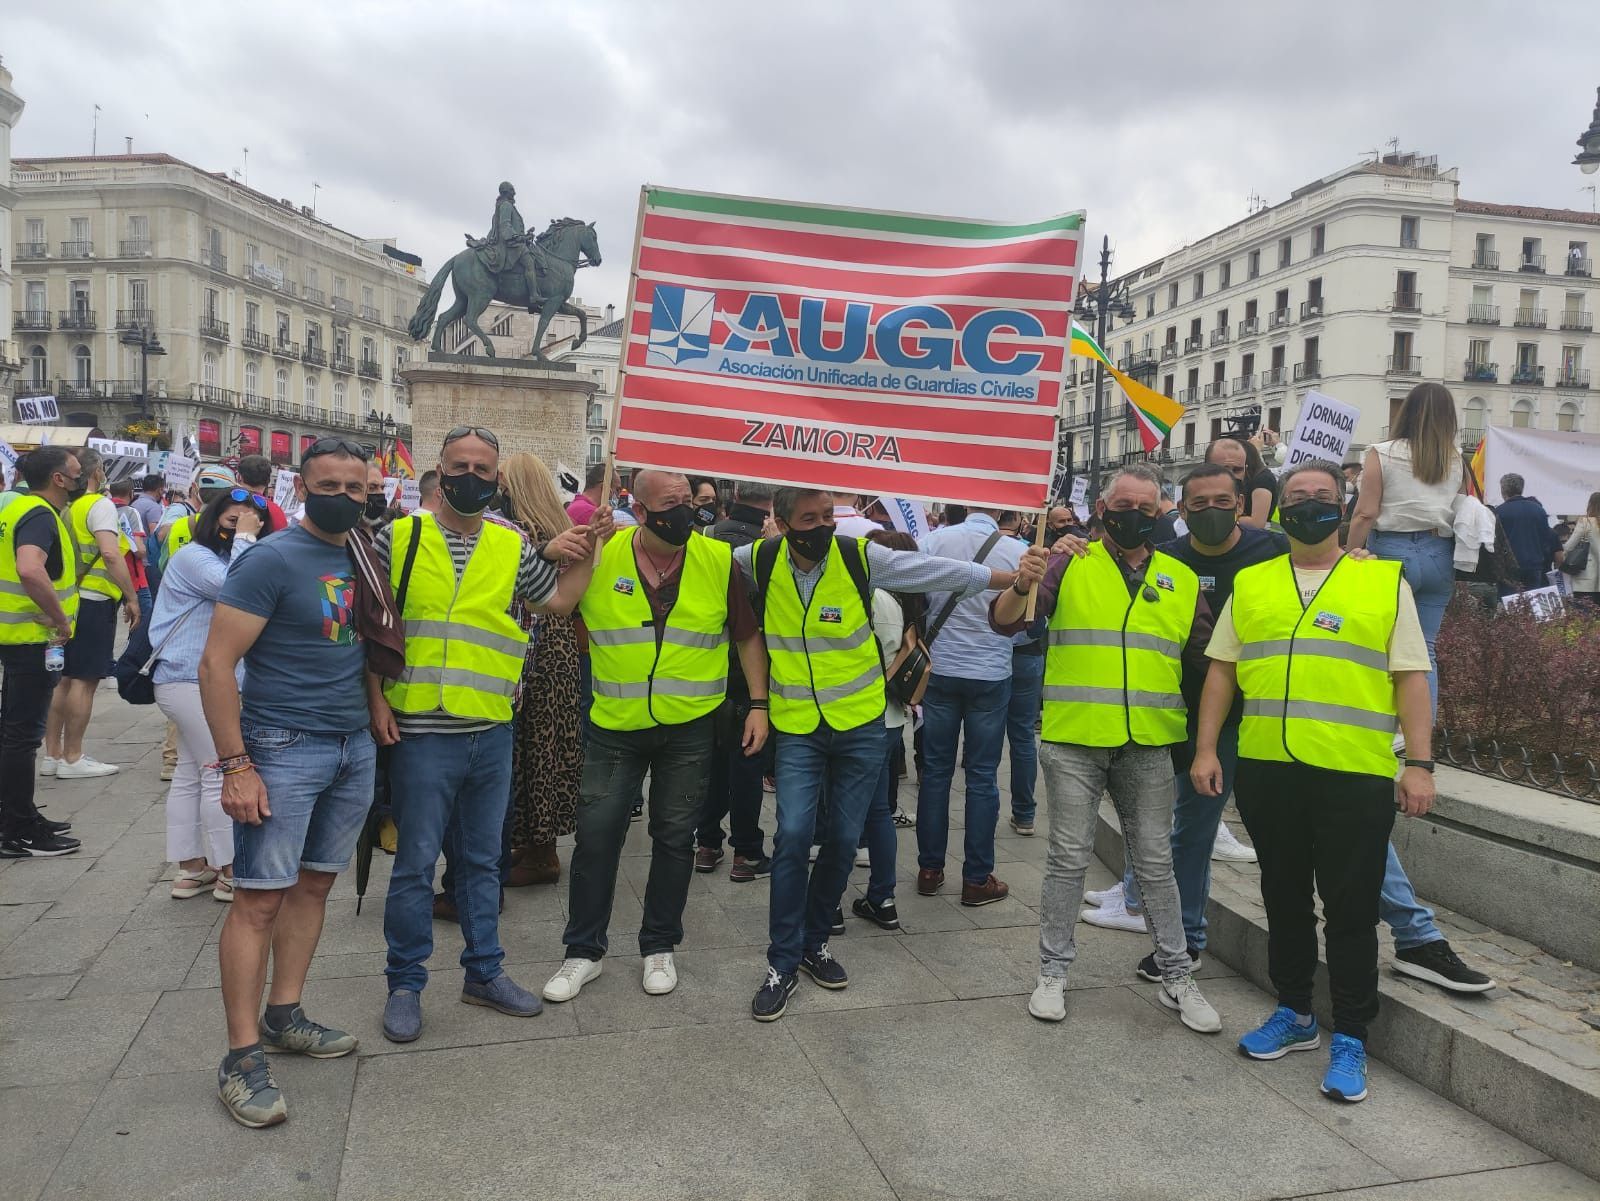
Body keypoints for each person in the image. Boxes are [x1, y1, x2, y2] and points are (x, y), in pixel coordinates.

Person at [1191, 459, 1444, 1102]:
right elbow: (1222, 671)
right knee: (1282, 898)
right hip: (1270, 769)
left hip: (1353, 773)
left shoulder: (1383, 581)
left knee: (1352, 911)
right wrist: (1205, 750)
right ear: (1278, 507)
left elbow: (1411, 677)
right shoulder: (1253, 581)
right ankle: (1296, 1012)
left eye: (1323, 496)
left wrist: (1419, 763)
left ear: (1345, 504)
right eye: (1297, 496)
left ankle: (1352, 1035)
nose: (1310, 505)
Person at [736, 488, 1014, 1021]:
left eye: (825, 517)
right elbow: (699, 569)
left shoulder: (860, 556)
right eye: (807, 519)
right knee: (794, 835)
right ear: (780, 521)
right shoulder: (758, 559)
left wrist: (1014, 578)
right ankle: (782, 961)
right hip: (797, 726)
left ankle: (816, 941)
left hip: (862, 725)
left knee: (844, 838)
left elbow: (934, 571)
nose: (819, 527)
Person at [370, 427, 597, 1043]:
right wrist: (374, 704)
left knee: (482, 864)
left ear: (498, 479)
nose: (471, 476)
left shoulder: (512, 544)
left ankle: (484, 973)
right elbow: (373, 629)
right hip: (420, 728)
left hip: (492, 727)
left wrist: (591, 549)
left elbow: (556, 605)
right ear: (439, 471)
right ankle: (405, 983)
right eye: (459, 465)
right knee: (416, 864)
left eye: (483, 468)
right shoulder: (400, 536)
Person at [993, 463, 1221, 1035]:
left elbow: (1209, 659)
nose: (1136, 516)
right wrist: (1023, 582)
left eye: (1149, 509)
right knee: (1067, 861)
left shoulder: (1181, 577)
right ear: (1102, 506)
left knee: (1156, 865)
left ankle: (1176, 976)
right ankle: (1052, 973)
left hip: (1149, 742)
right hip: (1075, 738)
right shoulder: (1069, 560)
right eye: (1125, 505)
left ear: (1162, 511)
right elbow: (1006, 624)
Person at [200, 437, 377, 1129]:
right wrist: (236, 765)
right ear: (301, 486)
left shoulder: (367, 553)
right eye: (328, 482)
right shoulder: (270, 559)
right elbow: (216, 665)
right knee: (257, 901)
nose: (343, 495)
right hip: (281, 747)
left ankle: (285, 1013)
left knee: (313, 883)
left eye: (355, 486)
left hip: (351, 745)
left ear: (368, 492)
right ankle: (241, 1056)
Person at [541, 469, 766, 1004]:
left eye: (689, 501)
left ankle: (659, 945)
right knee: (596, 837)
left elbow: (747, 636)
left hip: (689, 727)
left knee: (674, 837)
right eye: (671, 504)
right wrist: (562, 551)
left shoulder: (717, 561)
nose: (685, 512)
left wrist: (759, 703)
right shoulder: (604, 552)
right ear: (638, 510)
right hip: (615, 726)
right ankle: (583, 952)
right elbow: (555, 608)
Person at [1083, 464, 1287, 943]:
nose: (1211, 512)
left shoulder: (1274, 549)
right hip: (1185, 720)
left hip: (1260, 715)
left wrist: (1355, 556)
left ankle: (1415, 933)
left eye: (1222, 502)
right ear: (1182, 511)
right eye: (1198, 504)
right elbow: (1202, 648)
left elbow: (1324, 568)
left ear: (1240, 504)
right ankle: (1183, 934)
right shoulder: (1168, 561)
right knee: (1183, 833)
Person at [153, 487, 268, 902]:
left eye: (248, 521)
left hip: (190, 680)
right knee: (219, 769)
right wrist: (246, 540)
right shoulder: (194, 557)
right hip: (189, 679)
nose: (238, 528)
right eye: (231, 521)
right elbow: (234, 588)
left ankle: (190, 869)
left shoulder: (218, 556)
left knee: (188, 771)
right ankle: (231, 871)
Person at [915, 504, 1024, 905]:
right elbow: (1026, 623)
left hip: (939, 669)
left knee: (936, 772)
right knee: (982, 776)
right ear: (1000, 510)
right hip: (992, 674)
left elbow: (916, 598)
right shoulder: (1018, 552)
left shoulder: (933, 540)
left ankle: (930, 869)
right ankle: (977, 878)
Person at [1347, 382, 1463, 715]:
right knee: (1424, 649)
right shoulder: (1455, 459)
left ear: (1407, 411)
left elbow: (1366, 512)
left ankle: (1383, 724)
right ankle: (1421, 736)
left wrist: (1348, 554)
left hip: (1391, 551)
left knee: (1379, 645)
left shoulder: (1381, 453)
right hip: (1440, 552)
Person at [498, 452, 585, 888]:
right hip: (561, 648)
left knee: (532, 750)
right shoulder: (561, 527)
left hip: (536, 648)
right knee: (547, 749)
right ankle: (537, 843)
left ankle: (541, 852)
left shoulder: (523, 536)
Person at [0, 448, 84, 858]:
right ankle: (17, 829)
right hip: (31, 637)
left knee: (11, 732)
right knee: (21, 736)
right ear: (58, 479)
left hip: (11, 633)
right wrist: (59, 619)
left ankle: (18, 815)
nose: (81, 476)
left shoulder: (11, 507)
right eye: (75, 471)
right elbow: (29, 568)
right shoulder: (39, 515)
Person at [695, 479, 777, 881]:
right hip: (753, 663)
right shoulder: (772, 546)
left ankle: (707, 843)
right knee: (748, 757)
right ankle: (746, 852)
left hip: (707, 660)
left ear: (736, 494)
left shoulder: (707, 535)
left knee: (710, 759)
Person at [44, 448, 139, 780]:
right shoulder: (99, 505)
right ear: (96, 471)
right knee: (85, 681)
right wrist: (132, 596)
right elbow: (111, 555)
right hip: (95, 600)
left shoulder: (67, 507)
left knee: (63, 679)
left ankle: (52, 754)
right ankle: (73, 756)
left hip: (69, 600)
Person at [851, 529, 925, 929]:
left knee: (840, 810)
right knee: (877, 809)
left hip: (855, 717)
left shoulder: (872, 599)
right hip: (890, 718)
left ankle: (828, 907)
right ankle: (883, 897)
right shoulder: (904, 602)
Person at [1495, 473, 1562, 590]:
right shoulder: (1539, 510)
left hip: (1508, 568)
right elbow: (1546, 538)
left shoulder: (1499, 512)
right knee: (1532, 603)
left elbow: (1496, 542)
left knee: (1510, 604)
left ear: (1503, 490)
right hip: (1534, 565)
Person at [1206, 435, 1277, 529]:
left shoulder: (1263, 479)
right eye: (1224, 470)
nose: (1231, 476)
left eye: (1237, 469)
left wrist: (1224, 517)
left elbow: (1257, 523)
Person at [1563, 492, 1600, 606]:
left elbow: (1569, 546)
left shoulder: (1585, 522)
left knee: (1585, 618)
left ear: (1590, 505)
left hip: (1586, 578)